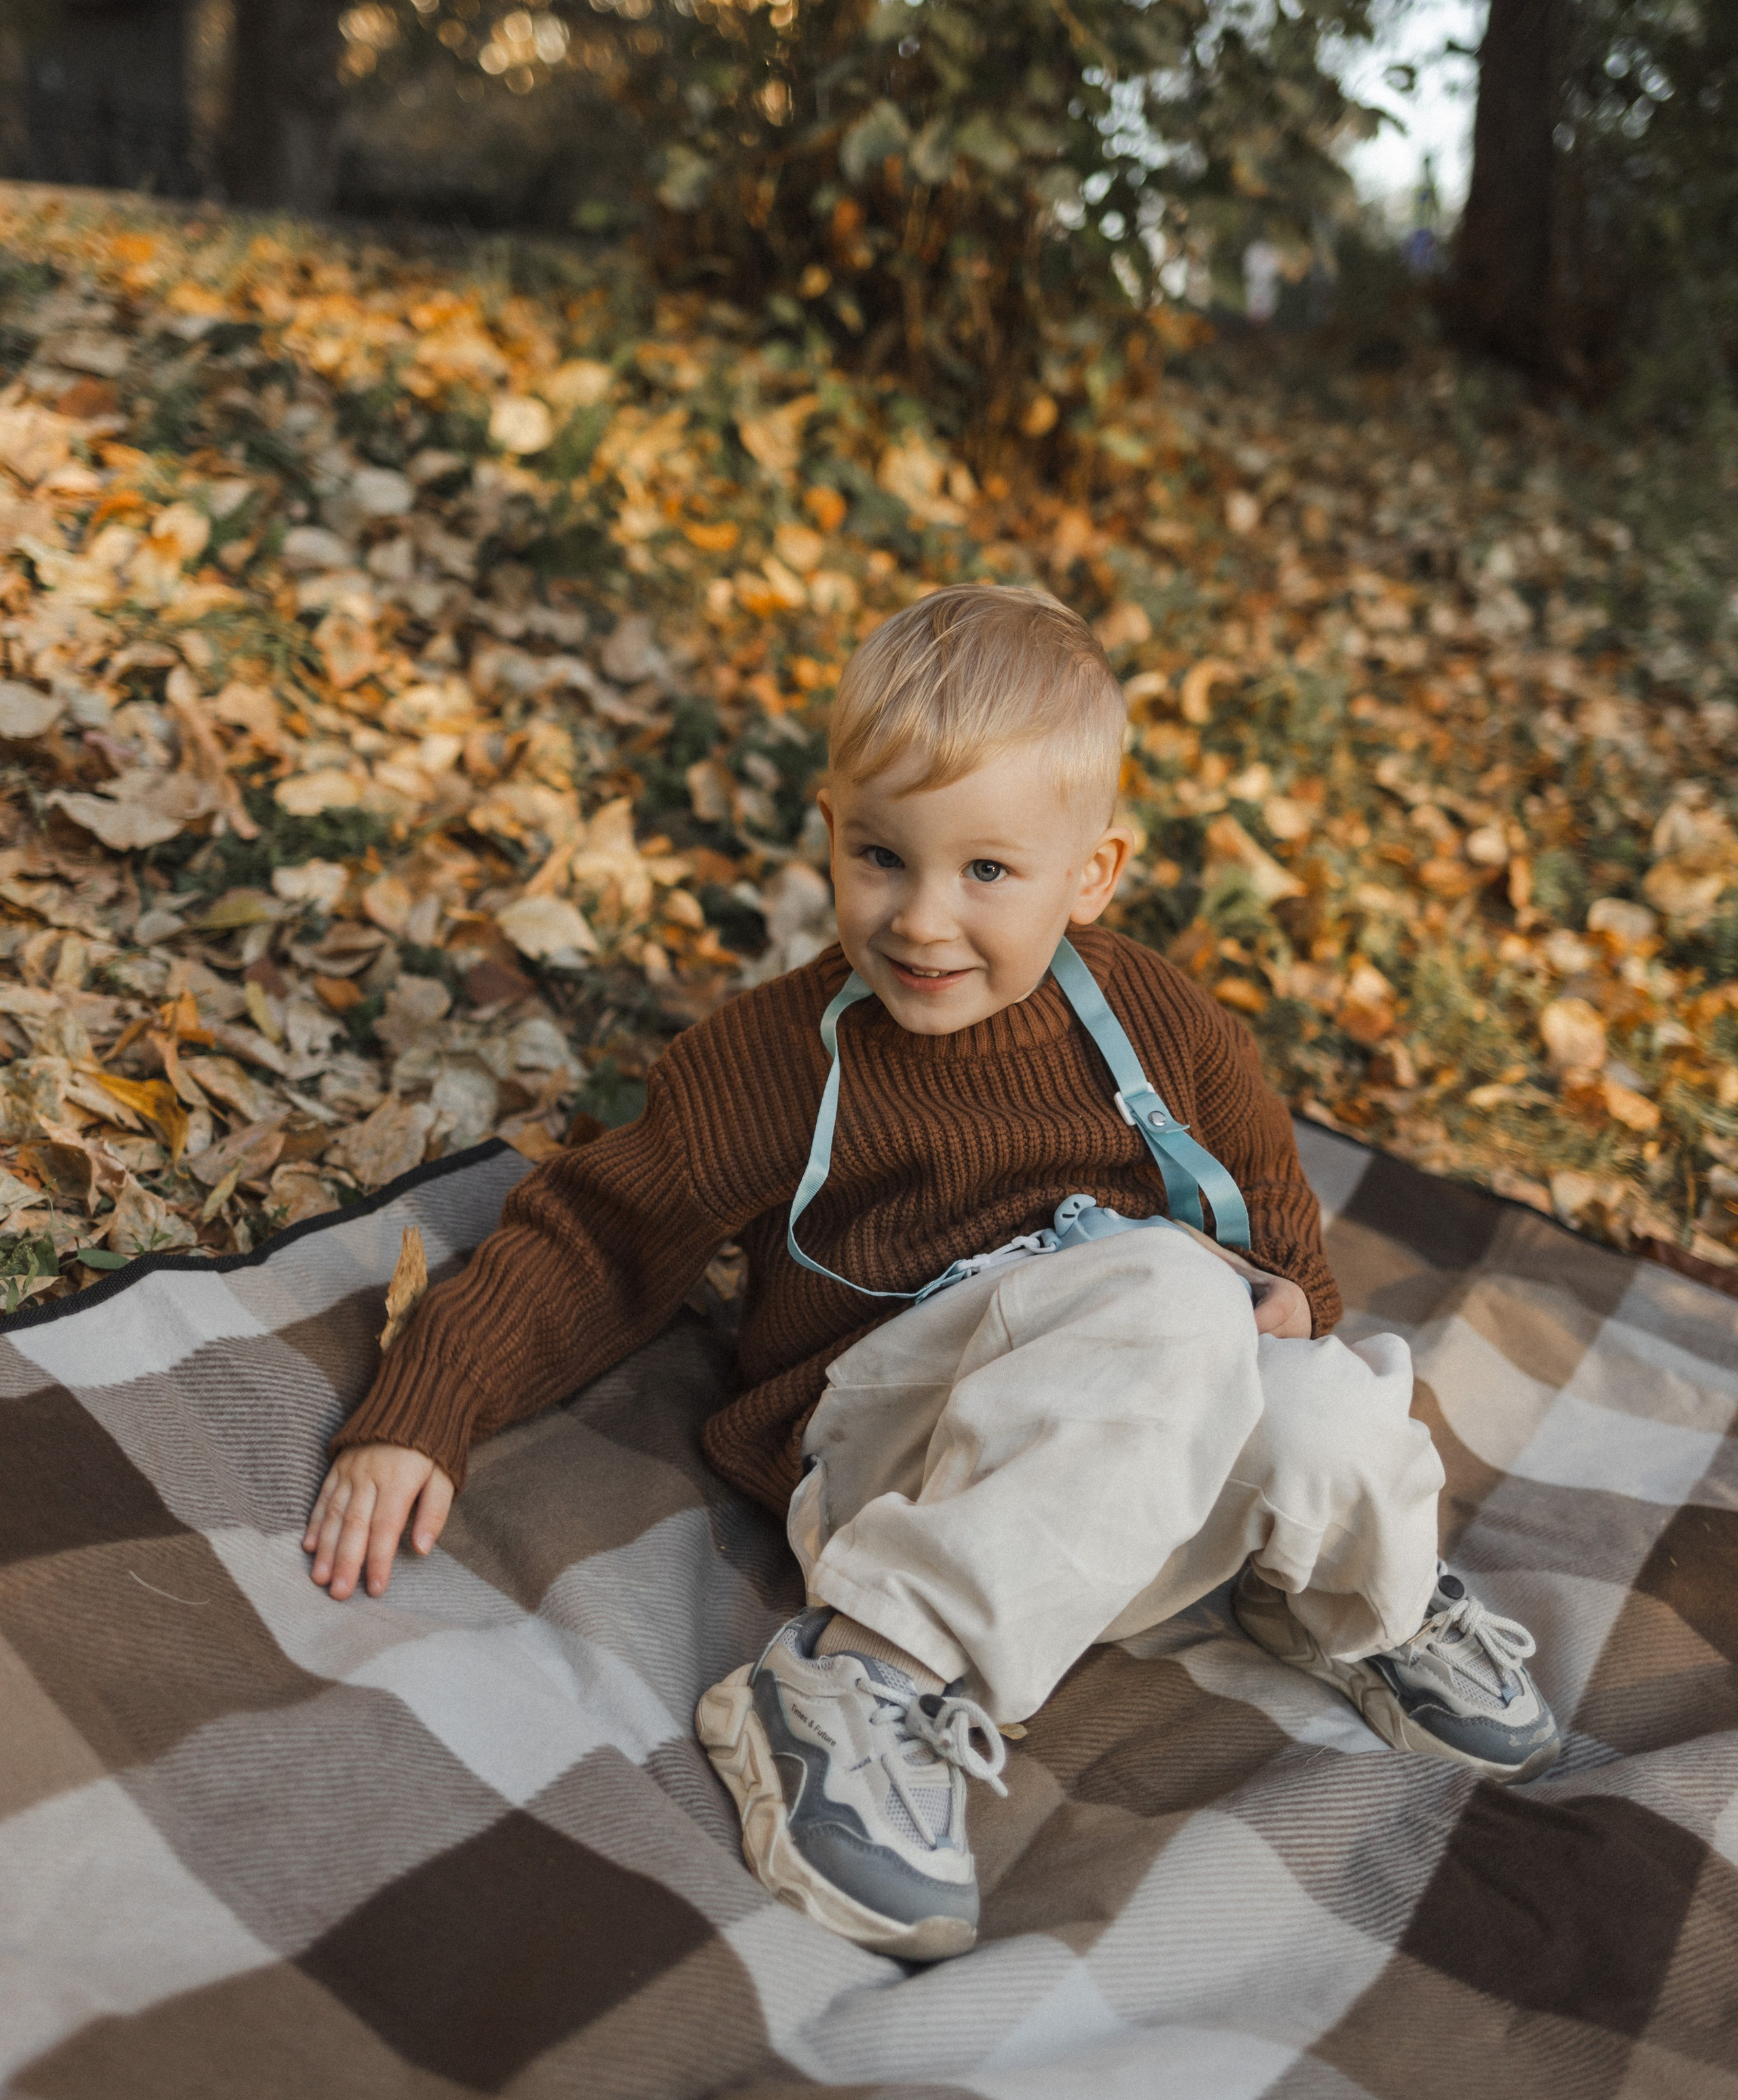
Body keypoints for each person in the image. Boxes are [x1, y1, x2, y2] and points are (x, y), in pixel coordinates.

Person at [305, 586, 1559, 1964]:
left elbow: (1266, 1206)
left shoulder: (1157, 1021)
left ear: (1088, 876)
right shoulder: (781, 1056)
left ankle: (1351, 1592)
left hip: (1118, 1459)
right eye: (879, 856)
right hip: (905, 1444)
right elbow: (604, 1231)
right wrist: (426, 1404)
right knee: (1168, 1294)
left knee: (1317, 1400)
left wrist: (1280, 1299)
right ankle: (857, 1675)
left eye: (985, 873)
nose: (918, 919)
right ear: (831, 831)